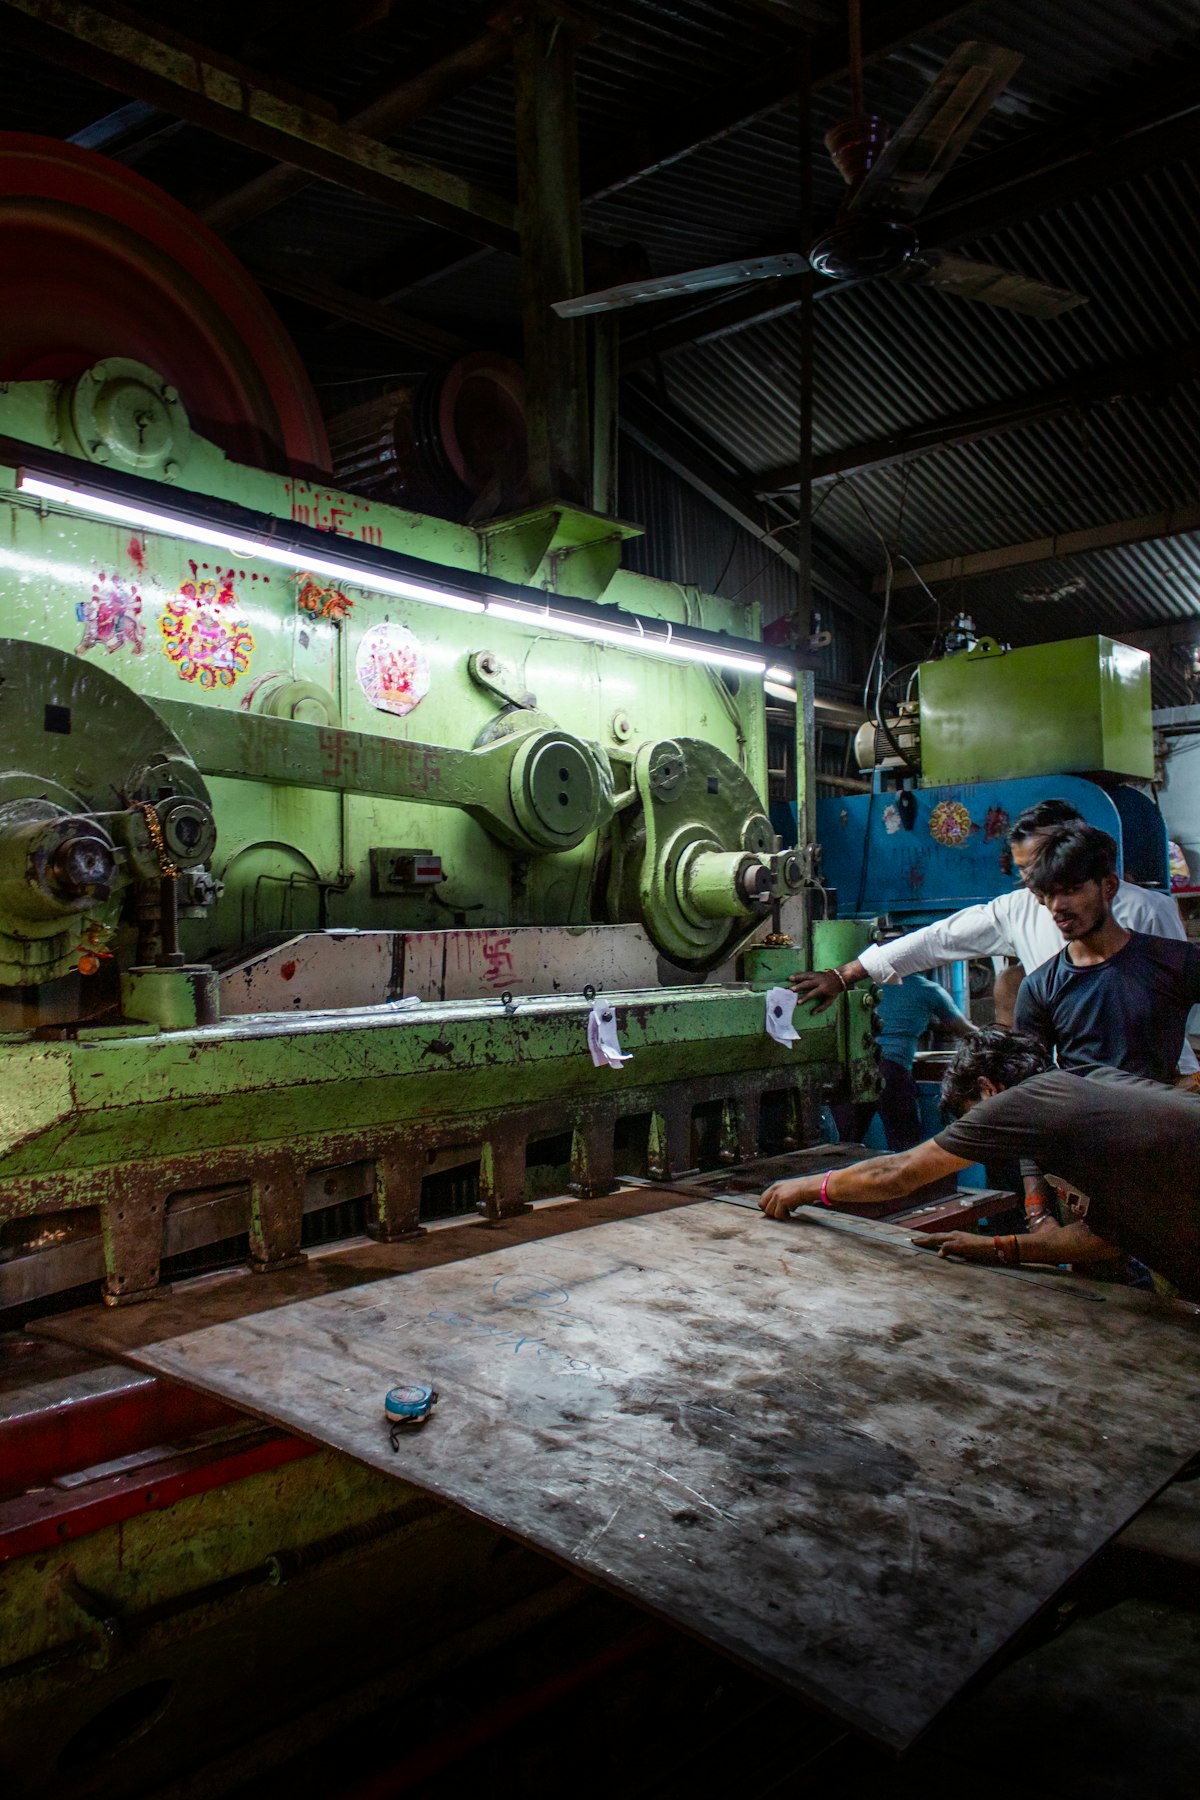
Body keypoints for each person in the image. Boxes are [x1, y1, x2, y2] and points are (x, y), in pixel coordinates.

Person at [757, 1029, 1200, 1299]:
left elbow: (899, 1173)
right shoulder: (1084, 1088)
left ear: (988, 1089)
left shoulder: (1021, 1101)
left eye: (972, 1115)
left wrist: (807, 1188)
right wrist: (997, 1247)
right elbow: (1102, 1239)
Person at [793, 799, 1191, 1058]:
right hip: (1078, 1083)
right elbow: (937, 939)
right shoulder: (1020, 919)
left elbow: (1177, 995)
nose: (1039, 887)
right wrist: (845, 974)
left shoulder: (1148, 910)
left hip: (1159, 1078)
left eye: (1043, 864)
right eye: (1025, 872)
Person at [1015, 823, 1200, 1087]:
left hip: (1161, 1123)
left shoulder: (1174, 960)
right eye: (1049, 895)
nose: (1058, 907)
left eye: (1071, 890)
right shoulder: (1039, 988)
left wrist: (1196, 1080)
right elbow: (1029, 1085)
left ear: (1109, 886)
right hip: (1084, 1124)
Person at [833, 967, 975, 1151]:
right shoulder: (929, 990)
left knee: (844, 1144)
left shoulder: (866, 985)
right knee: (905, 1145)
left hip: (855, 1068)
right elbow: (964, 1030)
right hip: (893, 1071)